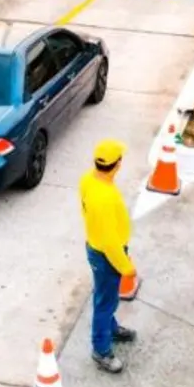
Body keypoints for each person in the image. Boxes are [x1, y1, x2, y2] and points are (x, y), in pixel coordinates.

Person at [79, 139, 137, 374]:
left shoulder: (88, 180)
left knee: (104, 296)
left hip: (95, 247)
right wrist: (126, 267)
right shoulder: (105, 197)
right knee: (105, 302)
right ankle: (101, 350)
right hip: (106, 255)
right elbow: (110, 242)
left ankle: (110, 329)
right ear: (117, 164)